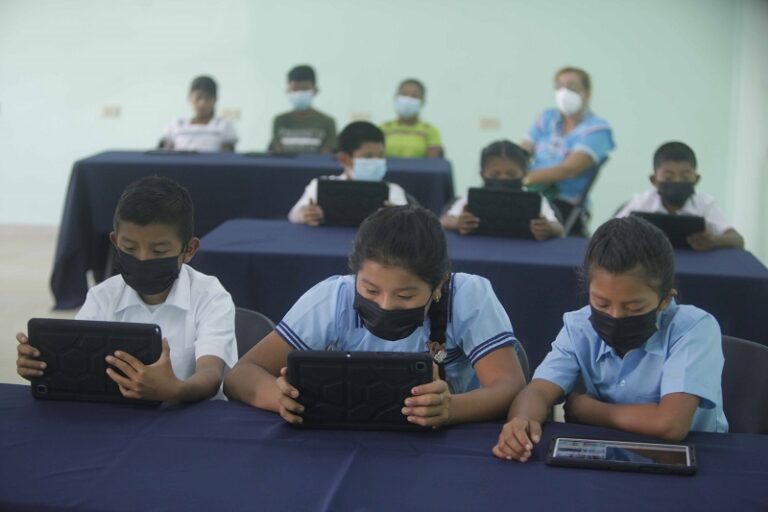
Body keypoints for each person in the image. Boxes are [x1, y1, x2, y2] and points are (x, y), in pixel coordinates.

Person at [225, 206, 527, 427]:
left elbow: (509, 385)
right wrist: (275, 396)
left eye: (406, 296)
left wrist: (450, 409)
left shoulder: (468, 295)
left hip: (447, 439)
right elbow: (241, 374)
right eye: (369, 290)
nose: (385, 305)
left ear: (438, 285)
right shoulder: (333, 297)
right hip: (346, 438)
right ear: (355, 274)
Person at [492, 216, 728, 462]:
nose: (615, 316)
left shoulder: (694, 328)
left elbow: (670, 425)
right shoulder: (579, 326)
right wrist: (521, 422)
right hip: (607, 453)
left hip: (695, 459)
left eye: (634, 307)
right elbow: (539, 391)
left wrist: (590, 411)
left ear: (665, 300)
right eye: (601, 303)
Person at [16, 177, 238, 403]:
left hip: (193, 419)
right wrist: (43, 365)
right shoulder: (102, 297)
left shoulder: (211, 297)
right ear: (115, 243)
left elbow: (211, 374)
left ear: (189, 249)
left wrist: (175, 391)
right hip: (117, 418)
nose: (142, 258)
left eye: (159, 251)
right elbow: (78, 362)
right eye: (130, 248)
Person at [521, 67, 615, 235]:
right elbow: (521, 153)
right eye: (559, 87)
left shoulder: (597, 129)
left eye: (571, 87)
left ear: (586, 93)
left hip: (564, 202)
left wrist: (522, 179)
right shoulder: (546, 118)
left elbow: (569, 169)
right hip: (531, 194)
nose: (564, 92)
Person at [615, 141, 744, 251]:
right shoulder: (641, 203)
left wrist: (714, 241)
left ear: (696, 179)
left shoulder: (705, 204)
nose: (677, 181)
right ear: (654, 180)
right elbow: (608, 234)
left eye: (685, 176)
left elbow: (738, 240)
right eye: (668, 177)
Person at [288, 121, 408, 225]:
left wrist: (396, 217)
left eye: (381, 156)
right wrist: (304, 214)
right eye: (368, 156)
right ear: (343, 159)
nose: (377, 162)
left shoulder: (393, 191)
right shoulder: (320, 186)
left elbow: (407, 223)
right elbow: (294, 214)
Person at [441, 140, 563, 240]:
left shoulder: (535, 198)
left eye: (511, 174)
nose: (503, 178)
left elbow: (559, 228)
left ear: (524, 174)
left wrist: (548, 228)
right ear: (482, 175)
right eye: (495, 175)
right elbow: (443, 221)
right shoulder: (472, 197)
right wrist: (458, 223)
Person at [270, 65, 337, 154]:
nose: (299, 93)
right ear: (288, 90)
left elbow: (326, 154)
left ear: (315, 90)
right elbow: (277, 151)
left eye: (305, 89)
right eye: (295, 89)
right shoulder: (280, 120)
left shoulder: (327, 122)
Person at [161, 75, 238, 152]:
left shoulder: (224, 126)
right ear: (189, 98)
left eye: (208, 98)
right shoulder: (176, 125)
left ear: (215, 100)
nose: (202, 103)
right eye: (198, 98)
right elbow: (166, 155)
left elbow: (227, 158)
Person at [380, 78, 444, 158]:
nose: (408, 100)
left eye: (414, 96)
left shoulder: (430, 130)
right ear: (395, 97)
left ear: (422, 101)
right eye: (404, 94)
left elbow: (433, 162)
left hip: (421, 170)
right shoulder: (383, 128)